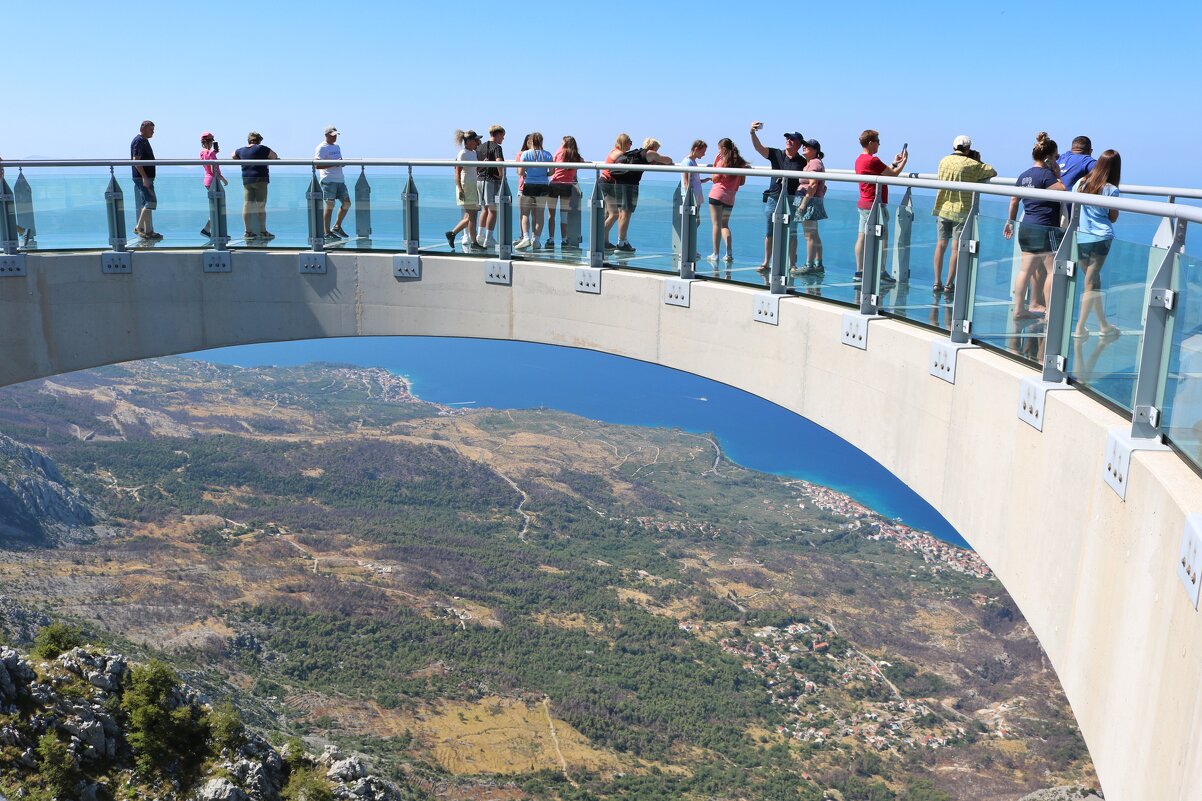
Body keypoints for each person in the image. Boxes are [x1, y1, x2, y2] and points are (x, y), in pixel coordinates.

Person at [1003, 133, 1065, 319]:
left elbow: (1014, 200)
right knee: (1052, 271)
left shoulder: (1024, 176)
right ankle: (1049, 314)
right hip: (1045, 228)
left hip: (1027, 226)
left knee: (1025, 271)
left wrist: (1010, 222)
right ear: (1049, 157)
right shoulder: (1047, 175)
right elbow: (1063, 190)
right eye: (1056, 157)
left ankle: (1019, 309)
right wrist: (1057, 174)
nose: (1057, 160)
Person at [932, 135, 997, 293]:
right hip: (962, 210)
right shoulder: (971, 164)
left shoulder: (943, 160)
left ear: (953, 146)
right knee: (956, 249)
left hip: (943, 207)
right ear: (968, 149)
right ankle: (949, 284)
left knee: (940, 245)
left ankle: (936, 282)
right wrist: (978, 160)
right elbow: (993, 172)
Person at [1072, 150, 1122, 339]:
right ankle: (1080, 327)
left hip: (1082, 236)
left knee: (1093, 281)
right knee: (1091, 283)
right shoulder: (1111, 189)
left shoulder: (1080, 183)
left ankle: (1103, 325)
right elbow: (1113, 217)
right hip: (1101, 238)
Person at [749, 123, 807, 272]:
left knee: (792, 232)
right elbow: (759, 148)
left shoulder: (803, 162)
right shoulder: (777, 154)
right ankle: (766, 262)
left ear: (799, 144)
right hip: (774, 198)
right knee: (770, 231)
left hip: (793, 199)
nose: (788, 140)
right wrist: (752, 133)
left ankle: (792, 264)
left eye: (792, 139)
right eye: (787, 138)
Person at [854, 129, 908, 281]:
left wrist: (893, 163)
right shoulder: (873, 160)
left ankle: (859, 271)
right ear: (871, 143)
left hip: (864, 203)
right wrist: (903, 162)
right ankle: (881, 272)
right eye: (877, 141)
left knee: (862, 237)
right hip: (876, 205)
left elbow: (881, 172)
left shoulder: (860, 159)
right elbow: (893, 174)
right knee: (883, 238)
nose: (879, 144)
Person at [608, 137, 674, 253]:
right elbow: (668, 160)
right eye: (657, 149)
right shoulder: (650, 153)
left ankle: (623, 240)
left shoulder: (635, 153)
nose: (657, 151)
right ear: (653, 147)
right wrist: (658, 160)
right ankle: (621, 242)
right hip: (630, 185)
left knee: (622, 213)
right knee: (626, 214)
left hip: (619, 183)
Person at [231, 131, 279, 240]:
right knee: (261, 206)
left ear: (248, 140)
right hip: (261, 179)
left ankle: (248, 232)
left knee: (247, 205)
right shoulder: (262, 148)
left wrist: (240, 158)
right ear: (259, 141)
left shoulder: (241, 150)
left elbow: (232, 154)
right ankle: (263, 231)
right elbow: (274, 156)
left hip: (247, 180)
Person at [706, 138, 747, 264]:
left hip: (717, 195)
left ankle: (716, 254)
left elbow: (714, 178)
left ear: (723, 149)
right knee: (725, 225)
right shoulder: (741, 163)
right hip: (730, 197)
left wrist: (715, 163)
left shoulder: (722, 161)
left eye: (719, 148)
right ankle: (729, 253)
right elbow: (742, 182)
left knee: (716, 225)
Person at [794, 138, 828, 275]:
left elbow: (813, 185)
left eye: (808, 146)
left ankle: (809, 265)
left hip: (808, 202)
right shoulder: (812, 163)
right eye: (804, 146)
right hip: (810, 200)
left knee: (809, 235)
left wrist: (803, 204)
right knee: (814, 234)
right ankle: (818, 264)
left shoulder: (814, 163)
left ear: (815, 150)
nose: (804, 147)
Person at [446, 129, 483, 251]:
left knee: (471, 216)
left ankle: (458, 235)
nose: (478, 141)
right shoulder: (463, 153)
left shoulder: (473, 152)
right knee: (472, 216)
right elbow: (457, 172)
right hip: (466, 185)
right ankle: (468, 239)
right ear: (469, 141)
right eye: (475, 139)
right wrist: (460, 189)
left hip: (472, 185)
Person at [517, 133, 555, 250]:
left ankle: (526, 237)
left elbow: (521, 172)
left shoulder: (525, 154)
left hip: (529, 185)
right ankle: (536, 240)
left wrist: (529, 174)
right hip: (543, 186)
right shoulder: (548, 155)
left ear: (531, 141)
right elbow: (552, 172)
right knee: (539, 215)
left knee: (525, 214)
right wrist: (544, 174)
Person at [315, 126, 351, 240]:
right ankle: (326, 232)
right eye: (332, 135)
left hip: (340, 179)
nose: (335, 137)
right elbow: (317, 165)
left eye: (336, 135)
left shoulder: (337, 147)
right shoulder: (321, 147)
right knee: (329, 205)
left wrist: (341, 163)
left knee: (347, 203)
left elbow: (338, 161)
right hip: (328, 180)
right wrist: (335, 163)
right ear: (326, 135)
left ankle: (337, 226)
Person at [600, 133, 633, 250]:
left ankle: (604, 242)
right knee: (615, 214)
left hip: (607, 182)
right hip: (608, 183)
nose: (631, 145)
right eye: (630, 142)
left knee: (608, 214)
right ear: (624, 143)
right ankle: (598, 238)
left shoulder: (614, 151)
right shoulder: (619, 154)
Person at [550, 135, 583, 248]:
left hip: (554, 184)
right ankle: (564, 240)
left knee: (552, 215)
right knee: (564, 215)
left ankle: (551, 239)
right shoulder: (576, 156)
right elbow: (581, 163)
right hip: (567, 186)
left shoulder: (559, 151)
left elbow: (553, 168)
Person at [476, 125, 506, 248]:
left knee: (484, 209)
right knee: (493, 210)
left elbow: (477, 164)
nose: (503, 139)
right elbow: (499, 162)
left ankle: (480, 235)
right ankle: (489, 238)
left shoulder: (480, 147)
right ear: (497, 134)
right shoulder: (497, 148)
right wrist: (501, 175)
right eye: (502, 136)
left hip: (480, 180)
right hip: (491, 180)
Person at [130, 120, 160, 240]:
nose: (153, 132)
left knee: (146, 204)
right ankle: (139, 228)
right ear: (143, 128)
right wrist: (144, 177)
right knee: (151, 202)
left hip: (145, 177)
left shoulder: (143, 141)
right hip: (142, 177)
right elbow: (136, 161)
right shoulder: (139, 141)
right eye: (151, 129)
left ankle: (149, 231)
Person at [679, 139, 709, 259]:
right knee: (691, 223)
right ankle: (687, 249)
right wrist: (688, 200)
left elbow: (693, 180)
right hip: (691, 198)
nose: (704, 154)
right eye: (703, 151)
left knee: (694, 223)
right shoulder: (687, 162)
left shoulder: (693, 162)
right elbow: (686, 182)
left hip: (695, 197)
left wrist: (703, 181)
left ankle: (689, 248)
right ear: (696, 149)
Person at [199, 132, 228, 238]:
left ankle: (210, 230)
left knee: (216, 207)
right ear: (210, 141)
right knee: (218, 208)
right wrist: (224, 180)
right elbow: (213, 170)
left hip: (207, 181)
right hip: (213, 181)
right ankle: (212, 231)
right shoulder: (211, 153)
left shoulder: (202, 153)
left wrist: (214, 153)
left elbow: (207, 165)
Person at [1057, 135, 1096, 200]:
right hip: (1070, 205)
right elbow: (1103, 171)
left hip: (1054, 203)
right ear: (1090, 151)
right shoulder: (1086, 160)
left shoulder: (1060, 158)